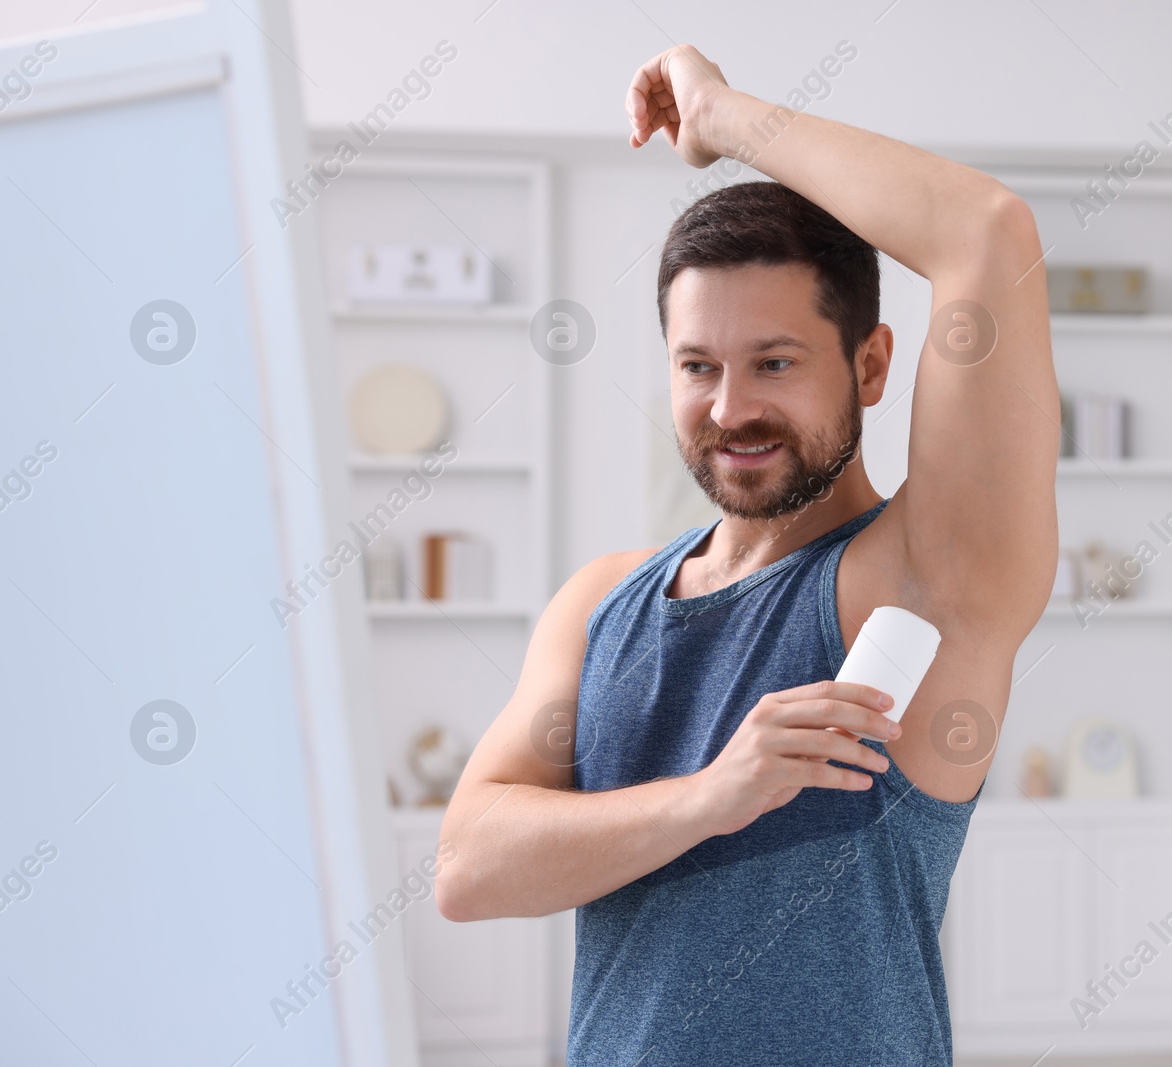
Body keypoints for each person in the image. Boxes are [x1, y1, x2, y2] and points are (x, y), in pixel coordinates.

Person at [436, 43, 1058, 1065]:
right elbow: (467, 864)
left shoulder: (920, 580)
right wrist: (714, 794)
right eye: (697, 366)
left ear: (869, 364)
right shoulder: (603, 601)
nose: (731, 409)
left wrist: (722, 118)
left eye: (774, 361)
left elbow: (986, 231)